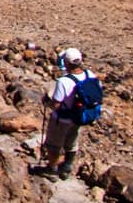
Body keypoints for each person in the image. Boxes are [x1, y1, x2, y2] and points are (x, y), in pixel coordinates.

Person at [40, 48, 102, 180]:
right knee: (72, 142)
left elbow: (56, 104)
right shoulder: (90, 75)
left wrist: (46, 102)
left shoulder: (64, 81)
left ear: (66, 63)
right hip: (79, 117)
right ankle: (67, 167)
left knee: (53, 145)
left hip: (62, 119)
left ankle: (52, 170)